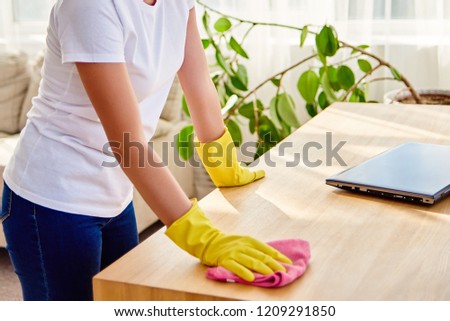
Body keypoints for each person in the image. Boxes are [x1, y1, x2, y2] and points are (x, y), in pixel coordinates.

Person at [0, 0, 291, 301]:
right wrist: (205, 238)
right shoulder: (89, 6)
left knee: (126, 299)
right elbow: (128, 144)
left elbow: (199, 84)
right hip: (51, 201)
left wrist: (224, 165)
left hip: (116, 194)